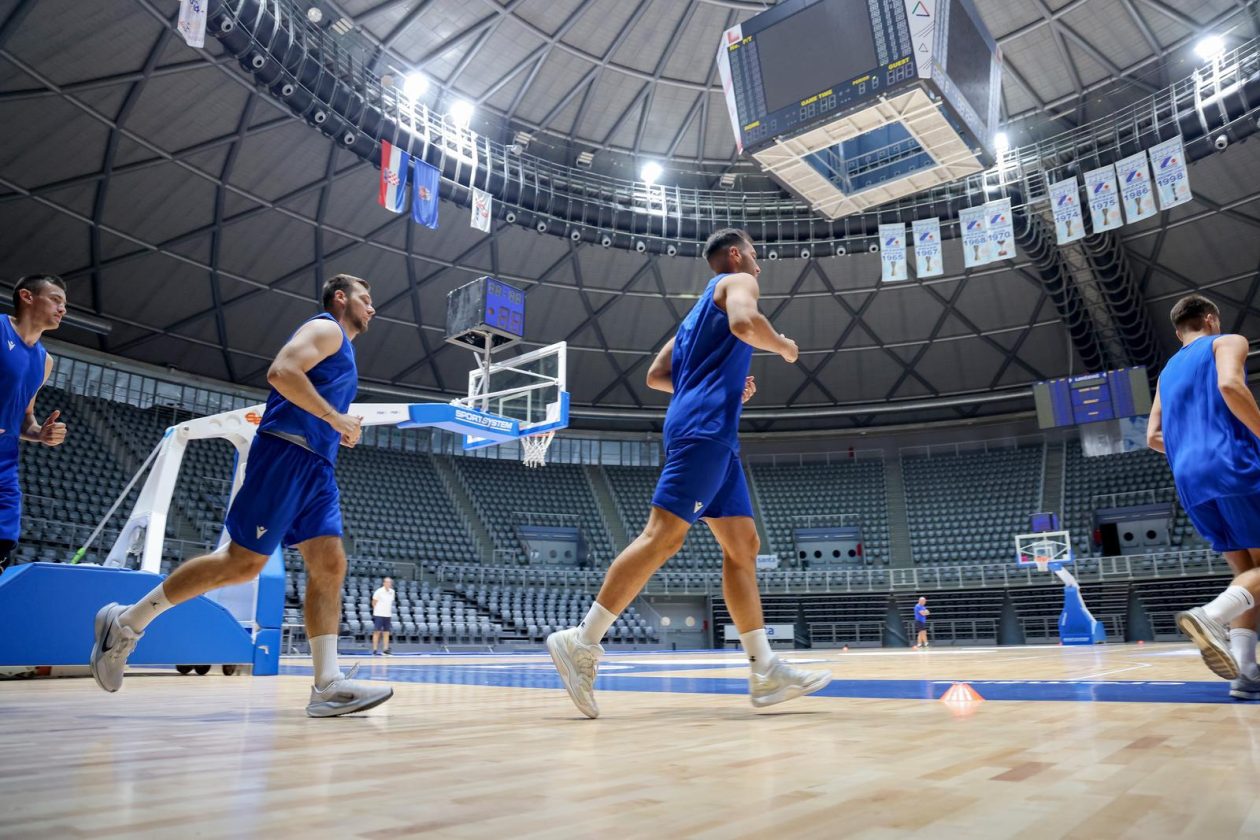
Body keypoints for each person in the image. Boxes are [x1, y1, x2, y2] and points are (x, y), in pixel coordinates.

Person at [546, 228, 833, 718]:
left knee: (743, 547)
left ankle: (764, 669)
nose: (758, 269)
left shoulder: (692, 319)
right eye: (755, 257)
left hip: (712, 429)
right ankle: (582, 640)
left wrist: (716, 383)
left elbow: (657, 375)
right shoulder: (738, 282)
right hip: (704, 429)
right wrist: (784, 346)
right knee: (663, 537)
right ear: (737, 255)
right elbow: (746, 324)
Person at [89, 275, 393, 717]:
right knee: (241, 564)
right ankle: (126, 623)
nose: (373, 307)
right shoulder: (326, 328)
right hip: (287, 454)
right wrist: (333, 416)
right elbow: (281, 372)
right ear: (341, 298)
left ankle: (327, 684)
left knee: (330, 564)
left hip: (317, 468)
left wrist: (336, 425)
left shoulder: (343, 350)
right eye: (367, 298)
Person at [1147, 294, 1260, 698]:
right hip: (1234, 466)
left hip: (1190, 480)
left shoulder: (1166, 373)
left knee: (1246, 574)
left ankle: (1245, 673)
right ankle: (1211, 616)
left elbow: (1153, 437)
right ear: (1211, 319)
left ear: (1179, 331)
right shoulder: (1226, 342)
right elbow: (1230, 384)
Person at [1, 275, 68, 573]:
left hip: (5, 458)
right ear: (27, 297)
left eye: (64, 304)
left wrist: (40, 433)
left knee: (3, 543)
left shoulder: (45, 361)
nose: (62, 308)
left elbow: (25, 417)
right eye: (56, 299)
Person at [371, 576, 395, 656]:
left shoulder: (392, 592)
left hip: (387, 615)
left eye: (390, 582)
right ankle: (374, 650)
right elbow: (373, 602)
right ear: (384, 583)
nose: (388, 584)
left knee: (386, 633)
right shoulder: (379, 591)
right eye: (387, 582)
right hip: (379, 614)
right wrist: (377, 611)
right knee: (377, 632)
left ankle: (385, 649)